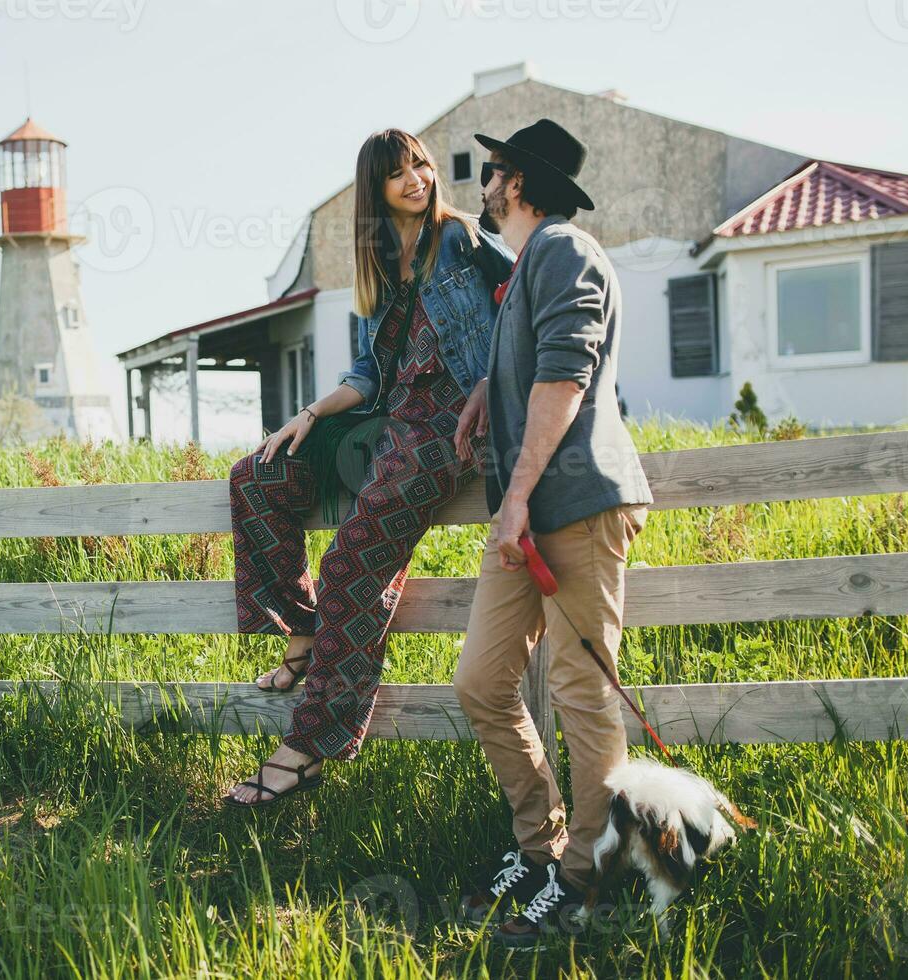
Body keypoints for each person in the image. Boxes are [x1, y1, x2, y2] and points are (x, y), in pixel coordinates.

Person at [224, 128, 514, 807]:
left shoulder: (464, 239)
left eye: (420, 163)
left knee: (352, 559)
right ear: (375, 190)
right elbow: (366, 373)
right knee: (258, 475)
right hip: (389, 420)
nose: (416, 177)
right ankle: (300, 632)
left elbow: (529, 295)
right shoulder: (381, 262)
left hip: (450, 425)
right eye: (398, 172)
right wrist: (312, 416)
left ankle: (308, 748)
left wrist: (496, 383)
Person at [449, 118, 654, 945]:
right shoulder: (533, 261)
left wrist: (516, 496)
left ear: (520, 182)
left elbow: (567, 373)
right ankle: (542, 848)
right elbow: (537, 367)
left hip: (569, 501)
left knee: (580, 691)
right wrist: (483, 393)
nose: (484, 185)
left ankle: (585, 880)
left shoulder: (565, 248)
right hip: (532, 511)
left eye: (492, 172)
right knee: (482, 681)